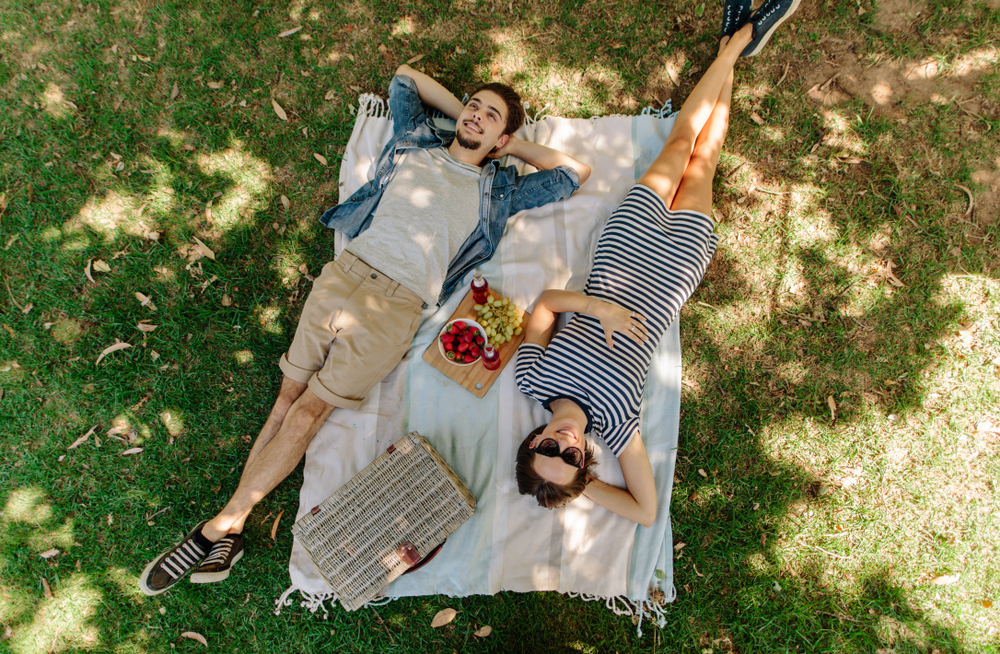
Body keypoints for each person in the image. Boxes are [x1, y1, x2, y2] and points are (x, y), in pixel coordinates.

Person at [139, 65, 591, 595]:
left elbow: (571, 173)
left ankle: (219, 526)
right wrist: (465, 120)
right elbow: (404, 80)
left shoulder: (499, 190)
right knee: (283, 405)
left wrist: (508, 150)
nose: (475, 114)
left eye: (491, 116)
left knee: (308, 411)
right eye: (473, 104)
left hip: (396, 308)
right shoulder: (417, 141)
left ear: (504, 137)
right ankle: (230, 527)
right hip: (344, 276)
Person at [513, 0, 799, 526]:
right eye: (569, 460)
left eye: (545, 452)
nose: (562, 446)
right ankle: (735, 43)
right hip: (674, 268)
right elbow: (647, 514)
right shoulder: (618, 427)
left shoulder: (530, 379)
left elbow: (547, 304)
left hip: (622, 250)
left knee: (681, 141)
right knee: (706, 158)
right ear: (583, 463)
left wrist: (599, 308)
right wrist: (582, 487)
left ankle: (735, 44)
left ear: (532, 440)